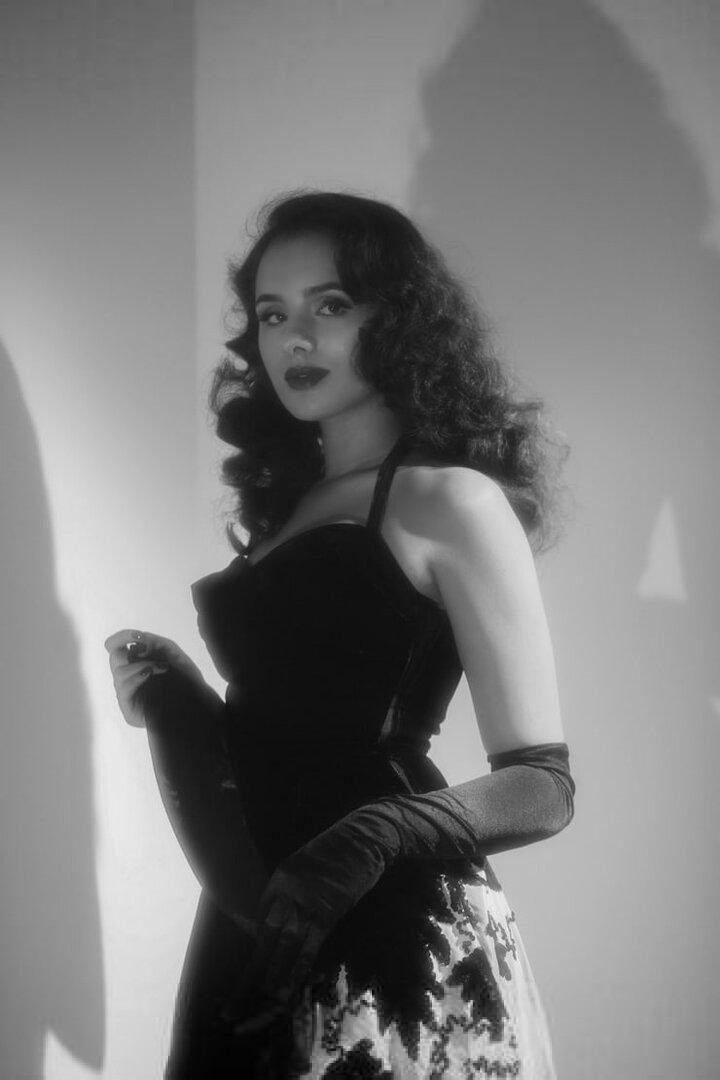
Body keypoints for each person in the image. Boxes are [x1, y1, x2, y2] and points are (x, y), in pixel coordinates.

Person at [106, 191, 575, 1078]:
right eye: (272, 314)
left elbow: (543, 785)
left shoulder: (449, 500)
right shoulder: (289, 505)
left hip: (393, 929)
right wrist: (183, 700)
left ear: (396, 318)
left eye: (330, 305)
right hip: (256, 916)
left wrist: (376, 835)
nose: (295, 338)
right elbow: (291, 733)